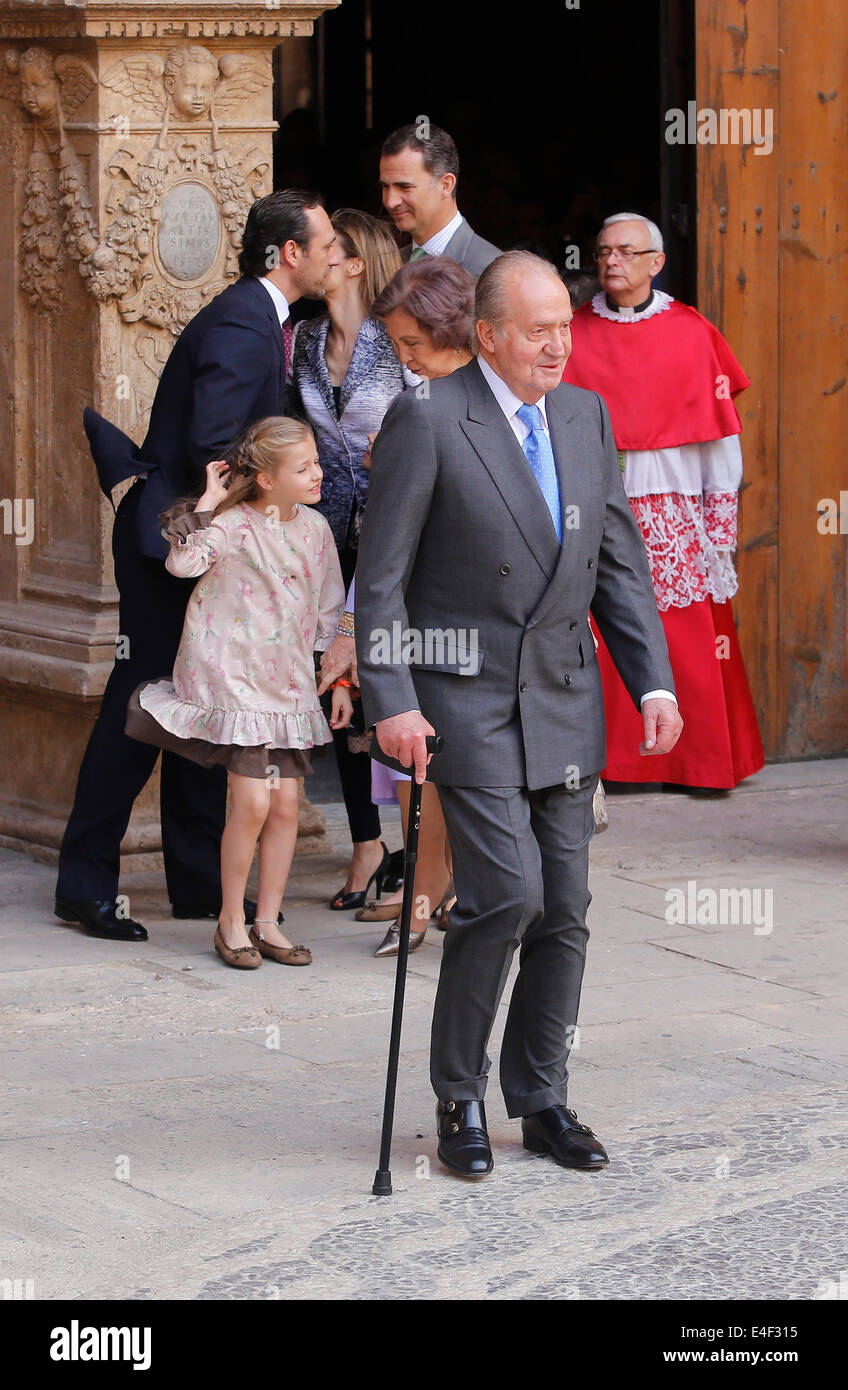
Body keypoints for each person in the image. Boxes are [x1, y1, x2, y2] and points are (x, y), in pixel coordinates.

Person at [355, 250, 683, 1180]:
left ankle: (540, 1097)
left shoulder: (584, 416)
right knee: (507, 894)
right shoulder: (429, 422)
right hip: (465, 699)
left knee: (566, 909)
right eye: (538, 331)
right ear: (489, 335)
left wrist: (652, 682)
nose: (558, 345)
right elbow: (380, 584)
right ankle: (458, 1090)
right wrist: (394, 702)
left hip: (565, 698)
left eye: (566, 328)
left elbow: (618, 560)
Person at [55, 192, 338, 942]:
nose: (336, 254)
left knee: (199, 703)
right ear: (289, 253)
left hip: (195, 538)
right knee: (141, 708)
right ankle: (85, 886)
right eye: (327, 242)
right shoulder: (247, 321)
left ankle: (197, 884)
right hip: (171, 545)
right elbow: (216, 440)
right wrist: (266, 512)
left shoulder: (257, 315)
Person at [125, 417, 350, 969]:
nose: (318, 474)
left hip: (289, 686)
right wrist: (208, 500)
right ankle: (230, 919)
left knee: (285, 808)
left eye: (317, 462)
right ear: (267, 480)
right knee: (251, 801)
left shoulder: (317, 530)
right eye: (303, 468)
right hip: (234, 680)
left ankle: (267, 920)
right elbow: (183, 563)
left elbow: (329, 606)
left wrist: (339, 677)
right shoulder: (234, 524)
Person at [563, 213, 764, 793]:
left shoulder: (692, 331)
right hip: (596, 506)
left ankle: (696, 761)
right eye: (603, 252)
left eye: (626, 251)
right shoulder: (572, 331)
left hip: (675, 506)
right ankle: (612, 762)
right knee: (600, 625)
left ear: (656, 261)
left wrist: (717, 531)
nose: (611, 262)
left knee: (686, 630)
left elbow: (722, 441)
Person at [320, 257, 478, 956]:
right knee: (417, 771)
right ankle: (421, 894)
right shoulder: (414, 412)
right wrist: (353, 630)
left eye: (414, 344)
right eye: (400, 345)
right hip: (413, 622)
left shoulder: (515, 405)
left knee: (459, 772)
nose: (406, 360)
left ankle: (448, 894)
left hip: (480, 623)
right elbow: (383, 549)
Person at [287, 209, 413, 913]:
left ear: (356, 262)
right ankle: (365, 842)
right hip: (325, 539)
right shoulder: (302, 340)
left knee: (384, 683)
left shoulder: (397, 344)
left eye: (327, 248)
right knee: (334, 679)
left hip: (393, 536)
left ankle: (413, 848)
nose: (313, 256)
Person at [379, 123, 500, 276]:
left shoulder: (492, 271)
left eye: (405, 187)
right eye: (385, 187)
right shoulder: (387, 267)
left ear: (445, 185)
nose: (390, 201)